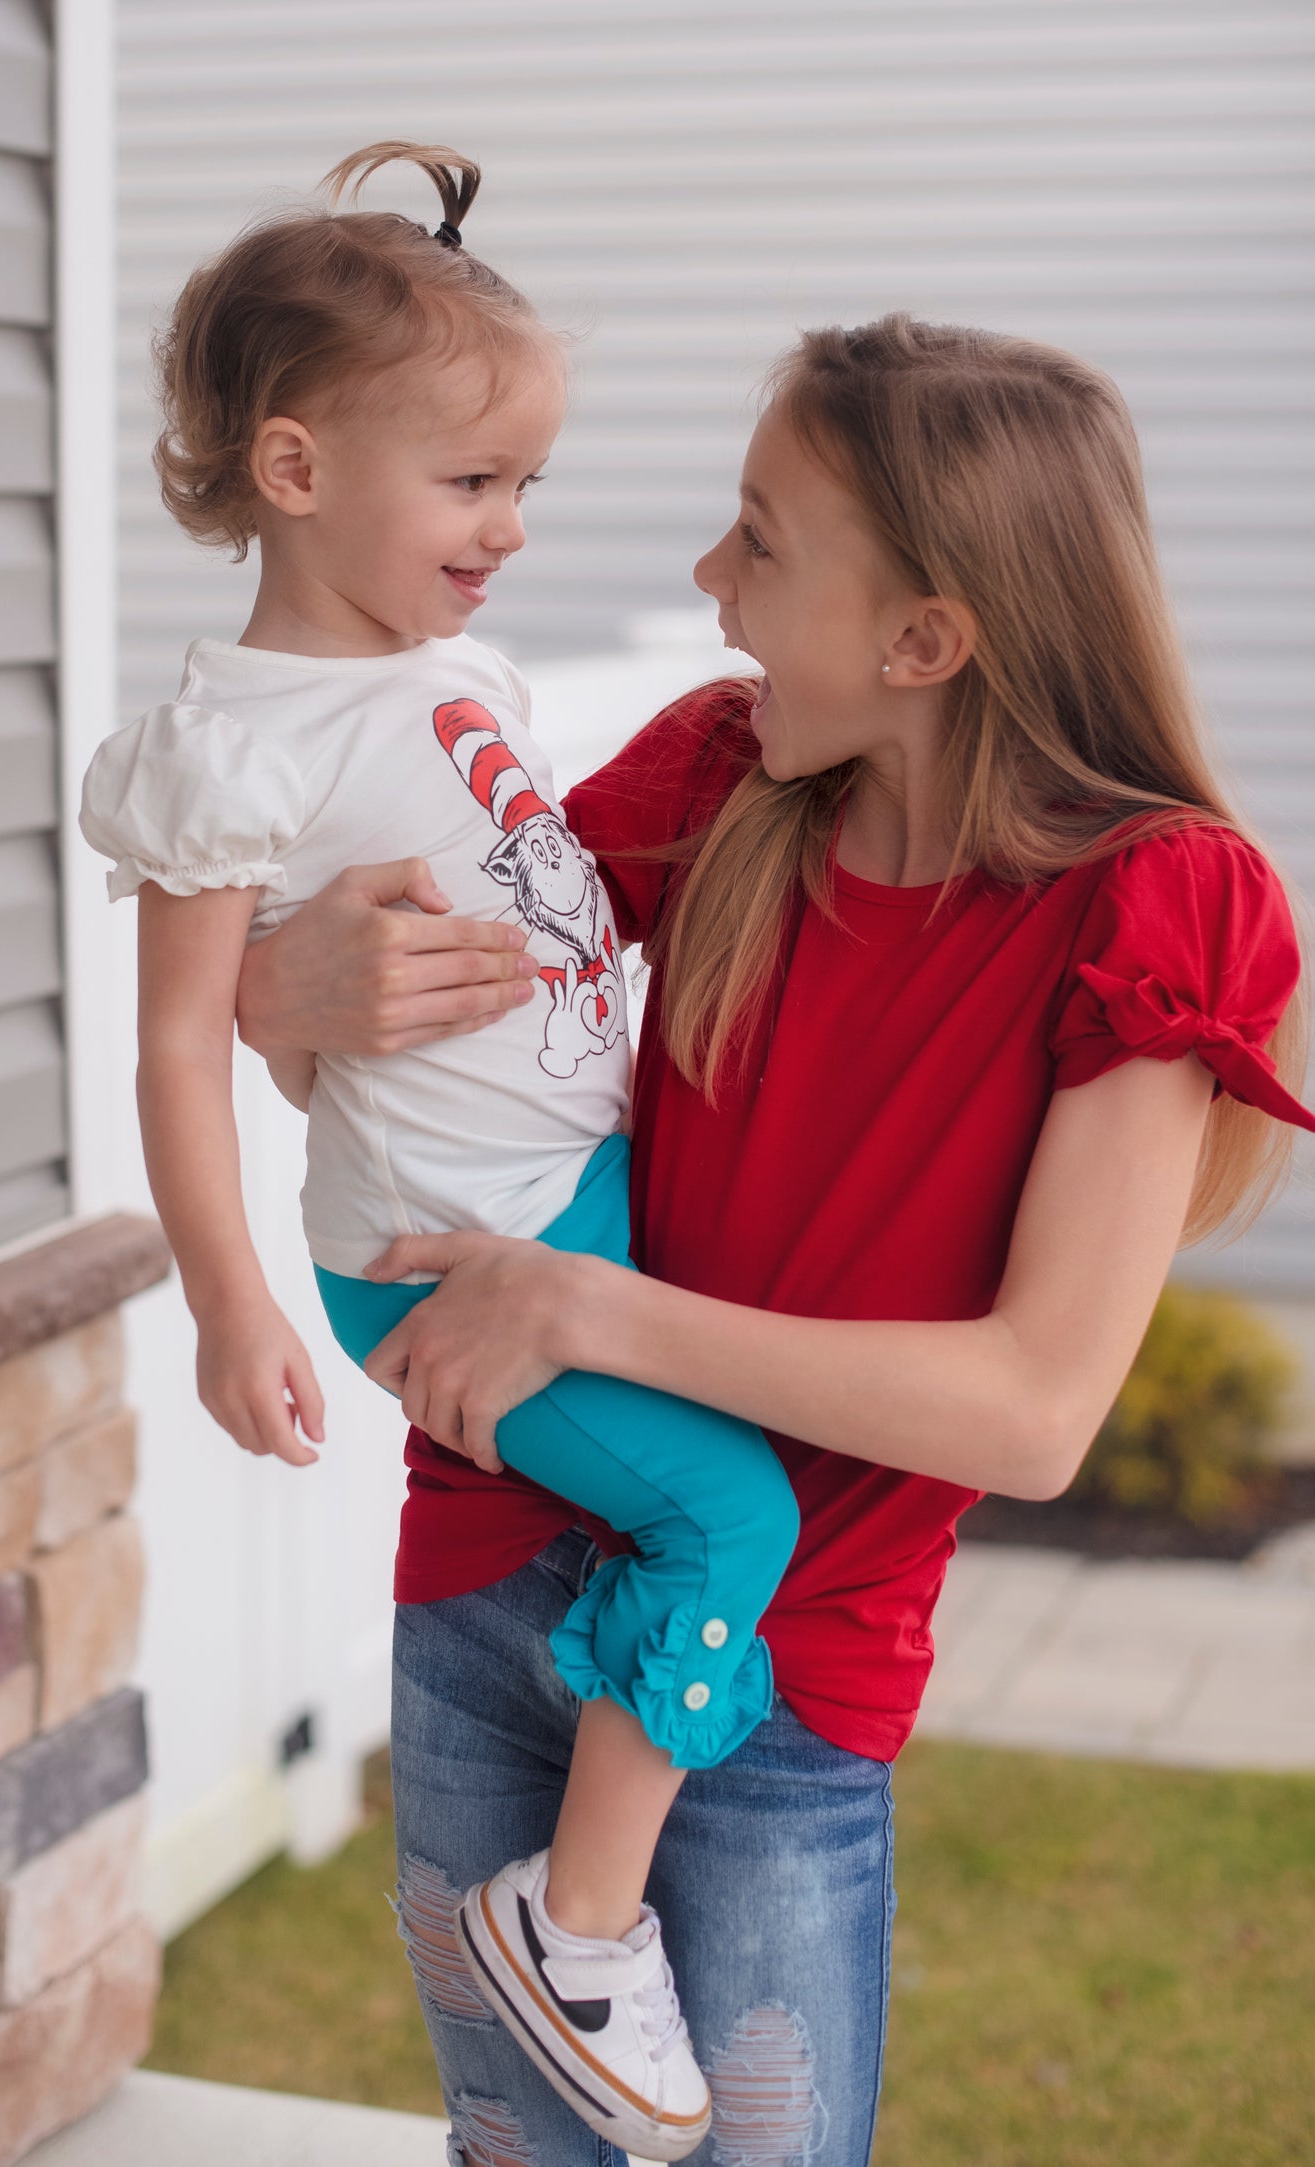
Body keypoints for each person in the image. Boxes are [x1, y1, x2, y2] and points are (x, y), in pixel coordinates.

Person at [235, 313, 1315, 2167]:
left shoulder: (1157, 902)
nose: (705, 579)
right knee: (515, 2148)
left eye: (759, 537)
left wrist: (590, 1305)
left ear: (923, 640)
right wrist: (280, 991)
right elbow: (409, 1046)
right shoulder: (714, 780)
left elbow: (1033, 1413)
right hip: (487, 1573)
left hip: (782, 1673)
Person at [79, 142, 821, 2163]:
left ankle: (590, 1851)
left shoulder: (455, 663)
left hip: (571, 1200)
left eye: (528, 486)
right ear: (299, 471)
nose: (511, 527)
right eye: (474, 484)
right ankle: (573, 1932)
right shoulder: (234, 744)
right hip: (444, 1256)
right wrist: (238, 1308)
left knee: (730, 1483)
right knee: (727, 1523)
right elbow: (172, 1043)